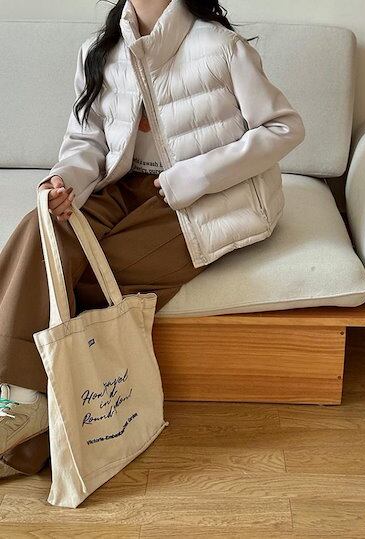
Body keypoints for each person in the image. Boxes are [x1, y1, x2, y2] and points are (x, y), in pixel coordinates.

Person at [0, 0, 306, 478]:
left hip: (204, 198)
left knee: (86, 276)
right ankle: (20, 398)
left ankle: (27, 417)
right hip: (120, 186)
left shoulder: (221, 47)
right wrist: (65, 182)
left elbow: (284, 127)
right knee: (39, 229)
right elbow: (87, 143)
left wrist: (197, 174)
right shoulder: (98, 51)